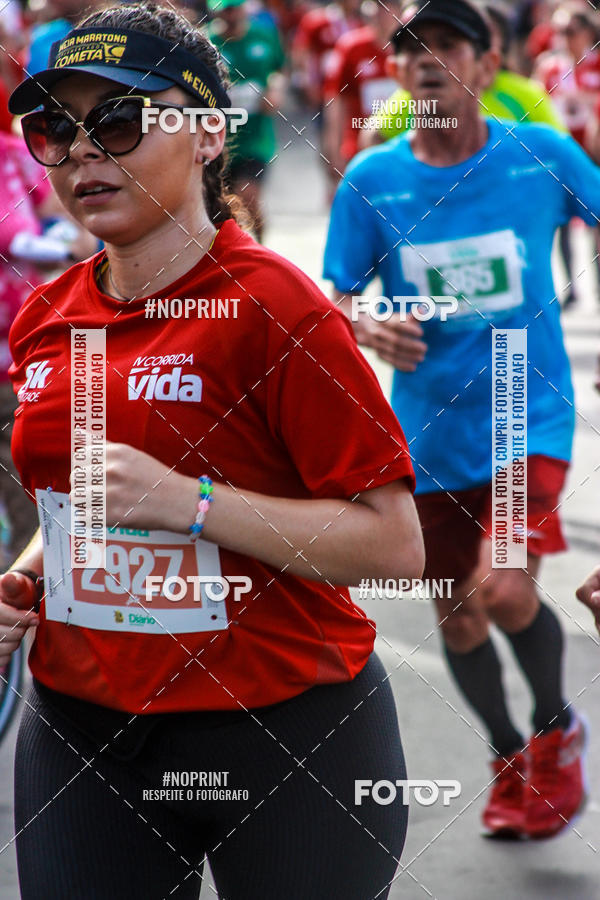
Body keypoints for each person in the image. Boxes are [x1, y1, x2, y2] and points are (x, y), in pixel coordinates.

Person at [2, 3, 425, 898]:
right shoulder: (48, 315)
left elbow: (393, 544)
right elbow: (76, 497)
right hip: (84, 733)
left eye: (116, 120)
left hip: (286, 735)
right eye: (53, 128)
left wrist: (188, 502)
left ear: (203, 133)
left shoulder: (275, 306)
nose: (82, 151)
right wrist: (25, 581)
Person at [324, 0, 593, 841]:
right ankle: (514, 758)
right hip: (429, 434)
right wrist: (365, 324)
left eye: (448, 43)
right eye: (411, 49)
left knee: (503, 586)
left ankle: (557, 731)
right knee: (459, 610)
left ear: (486, 62)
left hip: (526, 408)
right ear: (394, 71)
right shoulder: (375, 178)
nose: (428, 60)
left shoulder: (539, 155)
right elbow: (333, 296)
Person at [207, 0, 287, 241]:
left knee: (248, 195)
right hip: (219, 142)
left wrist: (275, 88)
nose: (230, 14)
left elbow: (279, 69)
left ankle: (261, 244)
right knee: (223, 209)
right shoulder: (205, 41)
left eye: (235, 7)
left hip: (256, 138)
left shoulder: (263, 35)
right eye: (225, 8)